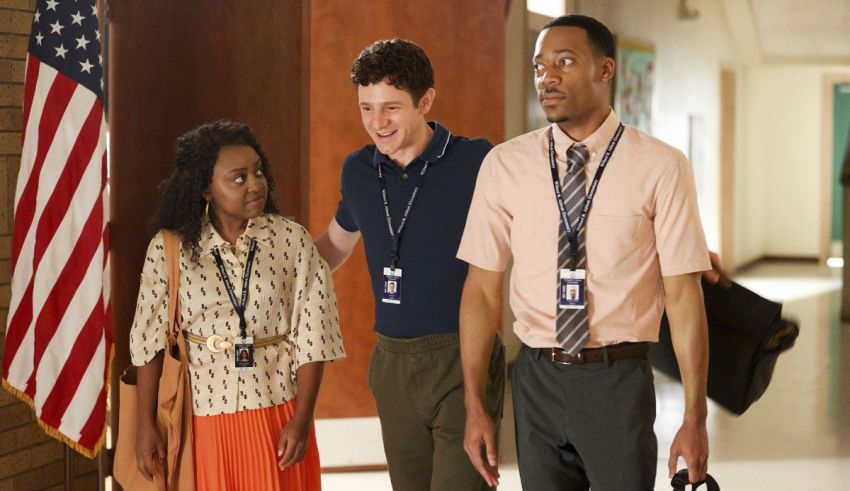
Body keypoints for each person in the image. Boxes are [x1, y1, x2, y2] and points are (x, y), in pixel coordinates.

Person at [457, 14, 710, 490]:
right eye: (538, 67)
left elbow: (683, 295)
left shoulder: (661, 167)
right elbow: (481, 291)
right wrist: (476, 406)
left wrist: (695, 418)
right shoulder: (504, 165)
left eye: (564, 62)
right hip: (534, 378)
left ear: (605, 70)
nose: (546, 78)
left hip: (617, 380)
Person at [315, 39, 505, 491]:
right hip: (391, 363)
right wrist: (263, 271)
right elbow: (334, 245)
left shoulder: (477, 160)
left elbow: (542, 225)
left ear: (426, 101)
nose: (376, 123)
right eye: (366, 108)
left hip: (461, 356)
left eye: (391, 108)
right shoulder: (358, 170)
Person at [130, 121, 345, 491]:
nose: (256, 184)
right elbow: (148, 344)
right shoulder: (169, 248)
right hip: (203, 421)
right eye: (239, 178)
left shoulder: (291, 240)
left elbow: (315, 335)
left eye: (258, 171)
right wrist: (144, 424)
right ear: (205, 188)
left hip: (279, 415)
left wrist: (303, 418)